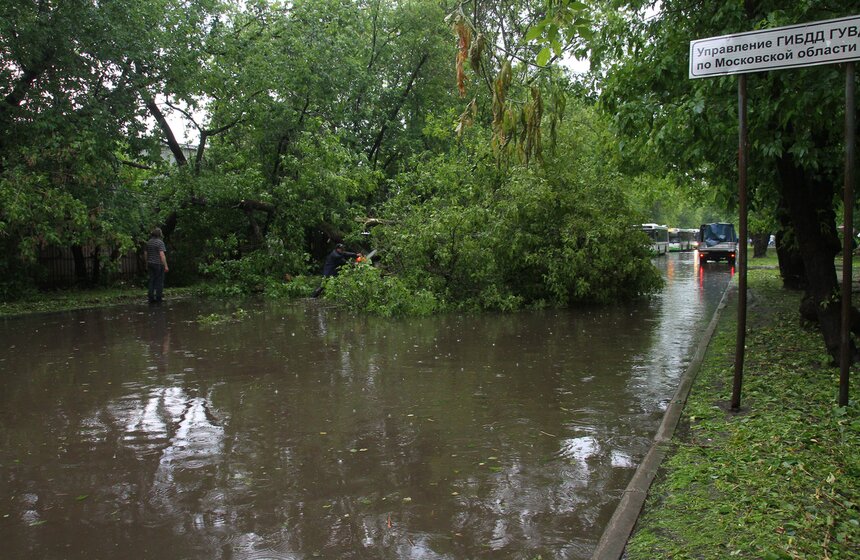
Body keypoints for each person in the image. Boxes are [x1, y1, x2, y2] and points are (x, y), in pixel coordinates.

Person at [146, 227, 169, 304]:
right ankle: (159, 298)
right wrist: (165, 265)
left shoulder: (149, 242)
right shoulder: (160, 242)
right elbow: (162, 255)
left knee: (151, 281)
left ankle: (151, 298)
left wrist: (147, 262)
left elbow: (145, 253)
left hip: (150, 263)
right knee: (159, 282)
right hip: (158, 264)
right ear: (160, 234)